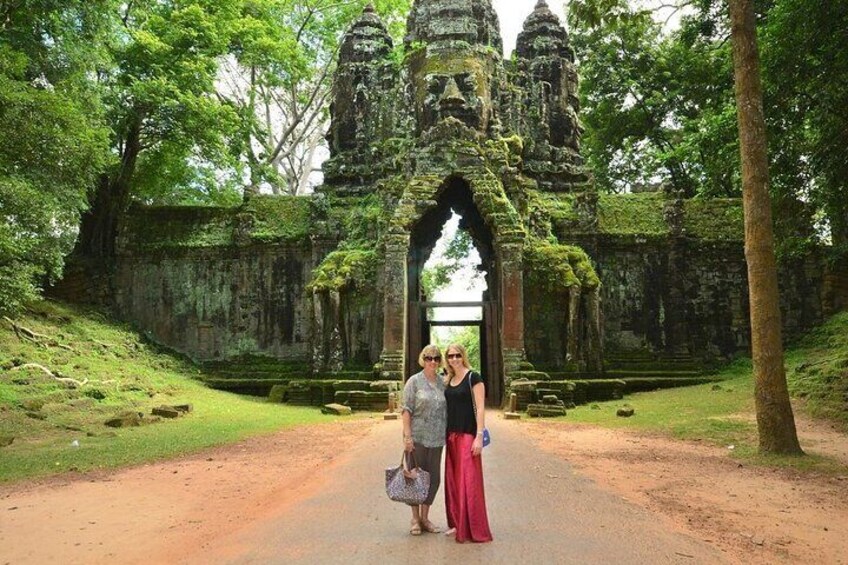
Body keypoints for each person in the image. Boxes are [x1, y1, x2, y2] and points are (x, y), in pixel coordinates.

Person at [443, 343, 493, 543]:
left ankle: (473, 527)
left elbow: (480, 408)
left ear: (463, 356)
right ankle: (457, 523)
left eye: (457, 355)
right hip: (452, 435)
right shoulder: (448, 380)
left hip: (468, 435)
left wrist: (479, 436)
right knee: (453, 482)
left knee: (468, 481)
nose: (454, 359)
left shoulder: (474, 377)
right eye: (450, 356)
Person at [401, 344, 447, 536]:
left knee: (433, 479)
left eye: (436, 358)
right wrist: (407, 436)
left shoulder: (443, 382)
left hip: (437, 438)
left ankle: (425, 518)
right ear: (423, 359)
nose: (433, 362)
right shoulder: (414, 381)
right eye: (429, 358)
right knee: (414, 476)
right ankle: (414, 518)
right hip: (417, 437)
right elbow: (406, 409)